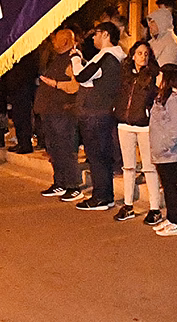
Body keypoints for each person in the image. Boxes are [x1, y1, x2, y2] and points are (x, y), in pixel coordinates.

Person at [71, 21, 125, 211]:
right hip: (104, 111)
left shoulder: (106, 56)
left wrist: (76, 58)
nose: (93, 38)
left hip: (96, 113)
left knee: (97, 156)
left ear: (106, 35)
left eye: (96, 34)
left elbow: (81, 76)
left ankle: (101, 197)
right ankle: (104, 195)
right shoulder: (118, 56)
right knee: (100, 156)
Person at [113, 41, 161, 224]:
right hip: (125, 125)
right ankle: (128, 204)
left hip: (144, 126)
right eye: (139, 53)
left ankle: (154, 208)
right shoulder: (124, 74)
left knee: (149, 167)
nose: (142, 57)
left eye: (146, 54)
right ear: (132, 55)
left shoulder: (153, 75)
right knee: (128, 167)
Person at [36, 29, 82, 200]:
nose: (53, 42)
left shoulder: (73, 58)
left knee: (66, 149)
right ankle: (59, 183)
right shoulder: (57, 59)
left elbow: (75, 86)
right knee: (54, 149)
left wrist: (55, 84)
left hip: (63, 112)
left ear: (64, 41)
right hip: (50, 111)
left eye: (55, 39)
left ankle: (73, 185)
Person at [149, 63, 177, 236]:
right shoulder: (161, 98)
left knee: (174, 186)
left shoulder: (175, 99)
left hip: (172, 153)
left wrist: (165, 145)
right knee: (167, 186)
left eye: (160, 75)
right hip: (162, 153)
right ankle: (170, 218)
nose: (157, 78)